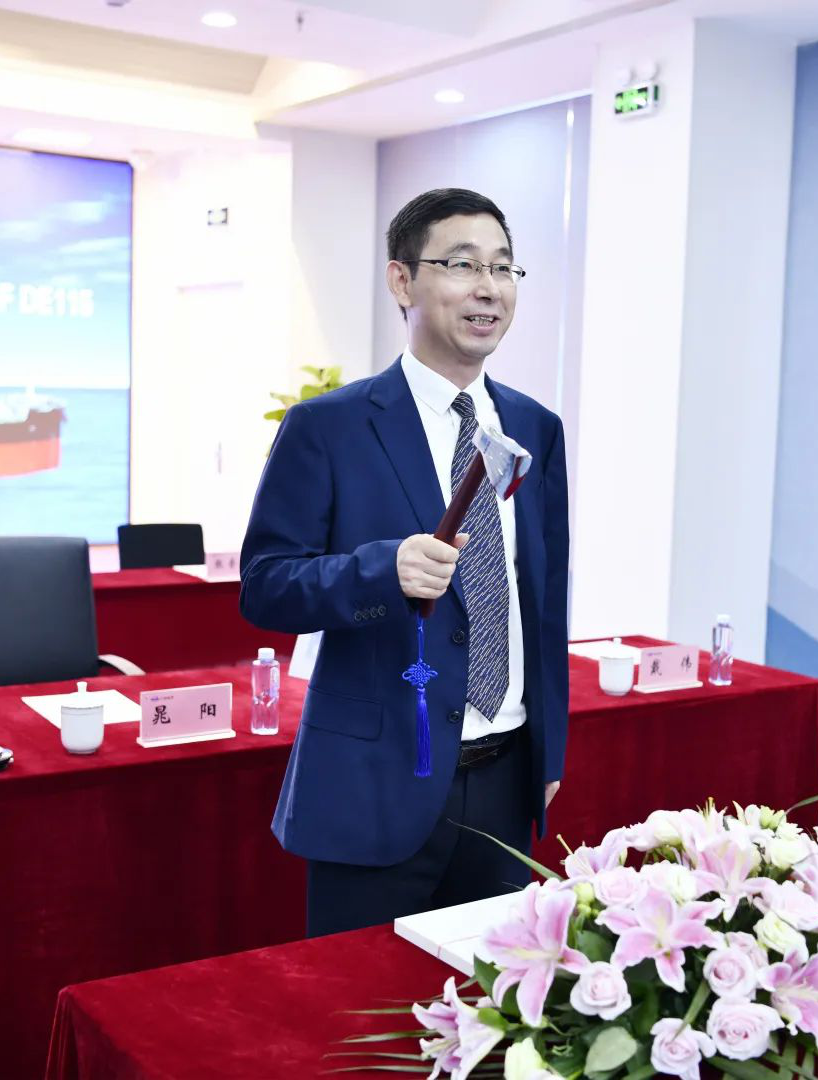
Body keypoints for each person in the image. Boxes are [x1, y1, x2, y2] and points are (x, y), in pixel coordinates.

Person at [240, 188, 570, 937]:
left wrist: (548, 747)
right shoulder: (329, 426)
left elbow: (545, 596)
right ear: (402, 280)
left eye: (504, 268)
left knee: (490, 998)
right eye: (463, 265)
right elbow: (264, 587)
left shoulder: (535, 427)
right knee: (360, 1002)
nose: (489, 288)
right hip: (375, 781)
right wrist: (379, 571)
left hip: (505, 779)